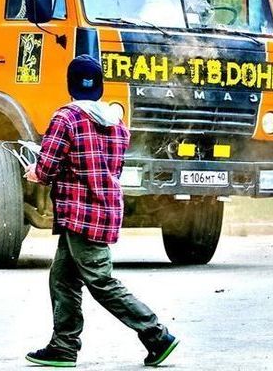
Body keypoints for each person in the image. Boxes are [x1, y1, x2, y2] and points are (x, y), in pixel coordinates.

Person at [23, 55, 179, 368]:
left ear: (69, 85)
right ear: (100, 86)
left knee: (101, 282)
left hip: (80, 214)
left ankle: (156, 334)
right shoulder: (117, 124)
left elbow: (48, 168)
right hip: (103, 210)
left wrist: (33, 171)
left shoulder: (65, 118)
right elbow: (107, 167)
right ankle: (63, 346)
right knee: (62, 278)